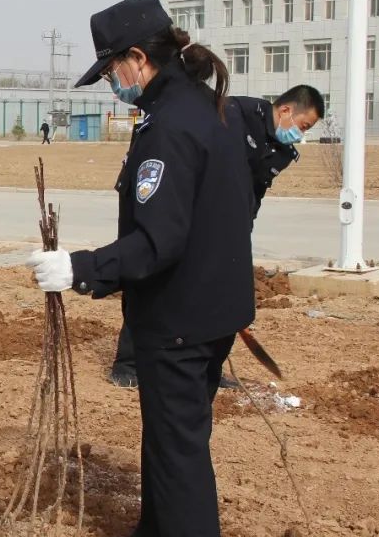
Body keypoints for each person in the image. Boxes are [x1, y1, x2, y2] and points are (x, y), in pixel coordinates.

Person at [27, 0, 254, 537]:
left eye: (112, 73)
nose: (112, 86)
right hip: (208, 305)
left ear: (137, 58)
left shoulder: (171, 127)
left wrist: (81, 268)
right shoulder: (198, 107)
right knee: (168, 432)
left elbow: (159, 240)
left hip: (182, 313)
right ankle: (157, 536)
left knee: (179, 443)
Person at [108, 84, 324, 387]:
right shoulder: (234, 114)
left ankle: (209, 367)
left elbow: (254, 192)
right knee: (154, 283)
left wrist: (240, 230)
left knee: (222, 295)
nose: (299, 135)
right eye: (302, 126)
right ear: (286, 110)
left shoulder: (282, 152)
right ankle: (128, 363)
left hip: (226, 225)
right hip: (186, 210)